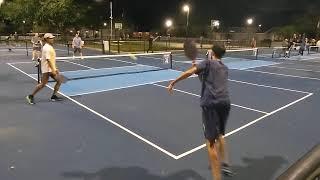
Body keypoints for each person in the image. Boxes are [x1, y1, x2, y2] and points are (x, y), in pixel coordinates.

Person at [167, 45, 233, 180]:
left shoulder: (207, 63)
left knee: (210, 143)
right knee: (220, 134)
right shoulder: (224, 68)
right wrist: (199, 70)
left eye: (209, 50)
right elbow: (206, 81)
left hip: (211, 105)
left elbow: (189, 72)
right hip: (225, 104)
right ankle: (225, 164)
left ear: (212, 52)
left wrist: (174, 82)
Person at [26, 33, 63, 104]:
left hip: (50, 68)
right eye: (51, 38)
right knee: (43, 84)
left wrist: (55, 68)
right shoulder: (47, 48)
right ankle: (30, 96)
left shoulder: (50, 46)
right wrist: (53, 70)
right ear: (47, 39)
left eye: (52, 38)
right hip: (47, 69)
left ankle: (54, 96)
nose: (52, 39)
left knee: (59, 80)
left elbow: (52, 59)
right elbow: (48, 60)